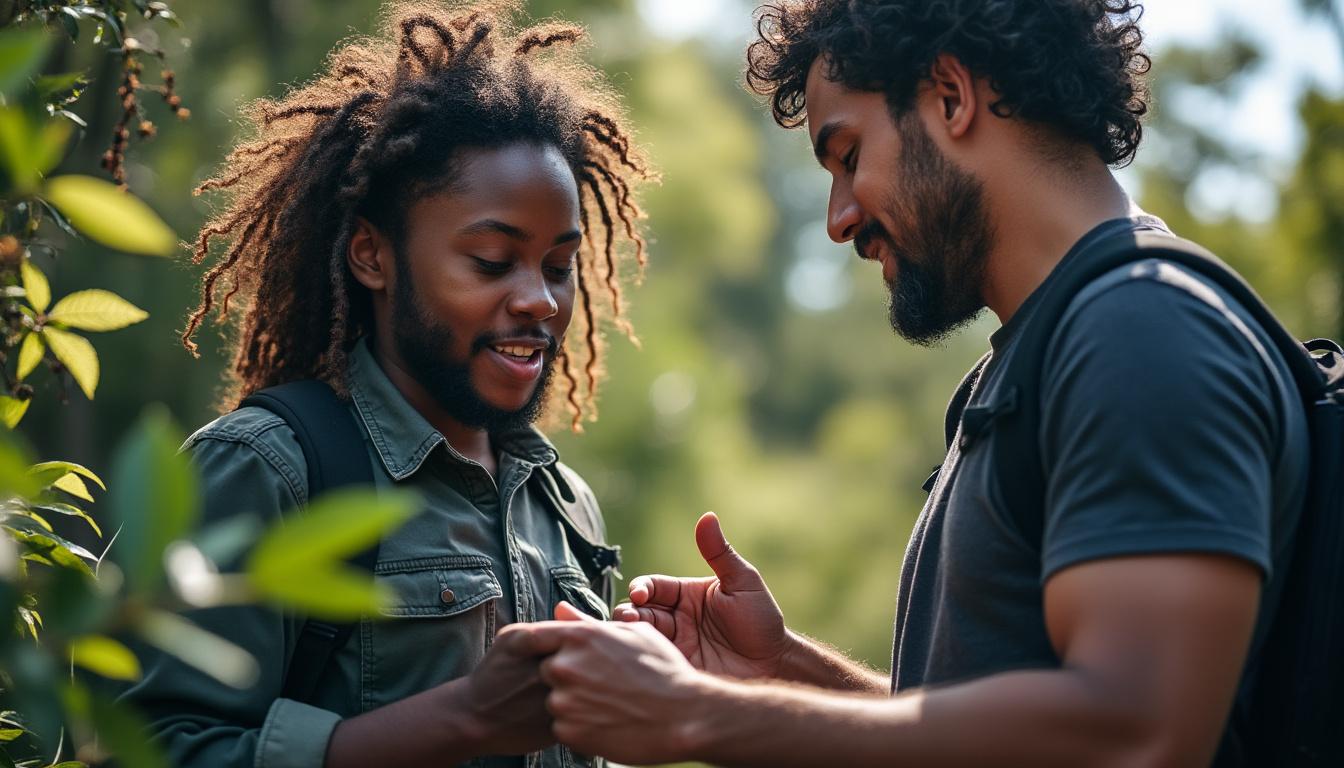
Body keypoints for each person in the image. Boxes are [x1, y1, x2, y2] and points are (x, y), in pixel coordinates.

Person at [515, 1, 1310, 766]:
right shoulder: (1031, 364)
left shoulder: (1143, 333)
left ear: (952, 95)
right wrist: (786, 675)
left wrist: (700, 716)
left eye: (849, 156)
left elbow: (1132, 734)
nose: (838, 218)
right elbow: (998, 741)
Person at [119, 2, 651, 767]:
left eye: (558, 266)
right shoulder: (265, 472)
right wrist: (464, 718)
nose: (540, 299)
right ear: (372, 256)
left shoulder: (564, 505)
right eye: (494, 261)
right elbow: (147, 749)